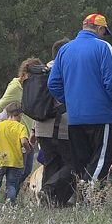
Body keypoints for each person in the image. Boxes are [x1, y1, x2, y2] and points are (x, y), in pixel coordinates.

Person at [48, 13, 112, 196]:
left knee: (83, 163)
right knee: (101, 161)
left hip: (75, 117)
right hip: (101, 115)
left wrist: (70, 100)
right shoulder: (103, 47)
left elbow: (53, 83)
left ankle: (82, 197)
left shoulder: (65, 49)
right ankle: (88, 197)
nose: (104, 36)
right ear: (100, 29)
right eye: (104, 32)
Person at [0, 57, 41, 189]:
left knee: (26, 170)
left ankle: (11, 192)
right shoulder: (15, 87)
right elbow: (0, 104)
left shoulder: (36, 88)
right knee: (18, 170)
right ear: (24, 74)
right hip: (17, 135)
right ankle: (10, 194)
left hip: (30, 133)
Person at [35, 38, 73, 207]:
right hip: (62, 125)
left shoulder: (43, 70)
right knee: (73, 164)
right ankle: (50, 191)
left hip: (41, 126)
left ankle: (50, 203)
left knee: (51, 164)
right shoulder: (65, 69)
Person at [0, 102, 31, 205]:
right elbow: (24, 141)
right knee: (11, 184)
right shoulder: (21, 127)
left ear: (7, 113)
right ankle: (10, 203)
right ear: (20, 114)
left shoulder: (0, 126)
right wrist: (28, 149)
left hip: (1, 159)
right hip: (15, 161)